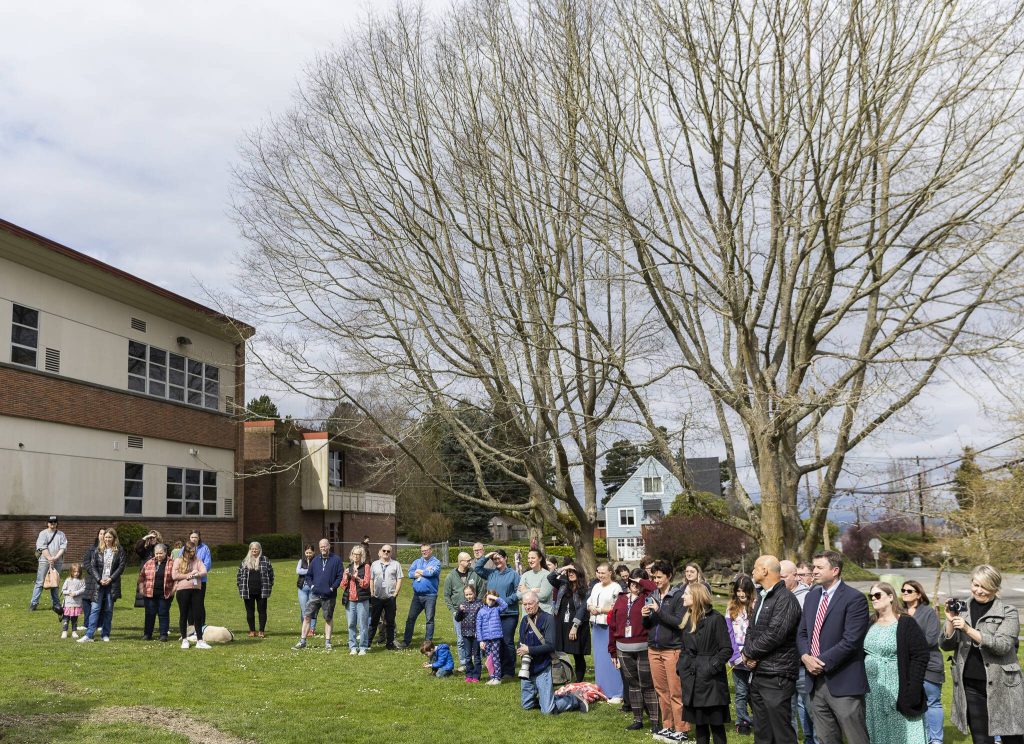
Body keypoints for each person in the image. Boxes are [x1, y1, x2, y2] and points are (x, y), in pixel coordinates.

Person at [940, 564, 1024, 744]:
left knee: (1012, 738)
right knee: (981, 740)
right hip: (971, 685)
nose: (978, 591)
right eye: (975, 585)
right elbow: (946, 645)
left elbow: (1002, 646)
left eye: (984, 586)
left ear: (995, 587)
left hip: (1004, 685)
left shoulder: (1008, 612)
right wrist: (949, 621)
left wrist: (967, 629)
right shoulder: (962, 608)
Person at [797, 550, 870, 744]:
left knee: (856, 738)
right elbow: (802, 633)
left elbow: (851, 640)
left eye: (820, 567)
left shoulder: (854, 599)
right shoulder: (812, 597)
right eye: (813, 567)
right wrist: (805, 657)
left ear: (835, 570)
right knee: (825, 738)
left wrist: (819, 662)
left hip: (843, 682)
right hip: (814, 682)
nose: (814, 571)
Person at [742, 555, 801, 744]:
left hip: (777, 674)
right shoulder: (762, 596)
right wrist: (747, 653)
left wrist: (750, 653)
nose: (752, 571)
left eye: (755, 567)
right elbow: (752, 629)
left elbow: (775, 634)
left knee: (781, 731)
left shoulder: (786, 599)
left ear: (765, 570)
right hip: (760, 673)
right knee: (763, 731)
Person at [863, 582, 928, 743]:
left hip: (898, 688)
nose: (874, 599)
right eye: (871, 596)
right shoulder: (870, 622)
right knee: (878, 733)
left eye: (878, 595)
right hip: (872, 690)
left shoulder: (905, 623)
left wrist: (913, 690)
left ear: (891, 597)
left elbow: (920, 656)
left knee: (902, 733)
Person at [517, 591, 590, 715]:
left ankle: (574, 699)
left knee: (548, 711)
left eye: (530, 604)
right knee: (526, 705)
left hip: (543, 667)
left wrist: (529, 650)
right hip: (528, 667)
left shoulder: (548, 619)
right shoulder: (524, 620)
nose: (527, 607)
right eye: (525, 604)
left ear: (537, 603)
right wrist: (520, 648)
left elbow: (551, 646)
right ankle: (546, 700)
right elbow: (521, 641)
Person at [678, 583, 733, 744]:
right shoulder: (687, 618)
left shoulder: (716, 619)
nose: (683, 596)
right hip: (693, 681)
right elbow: (684, 648)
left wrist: (710, 667)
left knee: (716, 727)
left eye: (686, 594)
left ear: (696, 597)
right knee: (700, 727)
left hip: (711, 683)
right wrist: (681, 668)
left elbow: (726, 649)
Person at [608, 568, 660, 733]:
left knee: (647, 684)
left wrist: (640, 581)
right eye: (632, 582)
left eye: (638, 583)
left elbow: (654, 587)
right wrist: (612, 651)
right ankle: (638, 719)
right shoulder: (621, 599)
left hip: (643, 647)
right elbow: (613, 625)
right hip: (623, 648)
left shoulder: (648, 597)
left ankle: (655, 721)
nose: (635, 585)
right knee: (633, 685)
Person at [642, 559, 688, 742]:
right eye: (654, 577)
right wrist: (645, 617)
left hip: (672, 649)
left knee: (676, 691)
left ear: (669, 576)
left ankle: (682, 729)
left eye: (659, 577)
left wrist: (659, 610)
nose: (656, 580)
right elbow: (648, 625)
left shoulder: (678, 596)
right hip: (653, 648)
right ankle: (667, 726)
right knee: (661, 690)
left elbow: (679, 622)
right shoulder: (653, 594)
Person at [903, 579, 945, 744]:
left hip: (929, 664)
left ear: (919, 594)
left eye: (909, 591)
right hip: (907, 666)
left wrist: (905, 645)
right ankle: (921, 737)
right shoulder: (899, 612)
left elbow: (931, 639)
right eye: (903, 590)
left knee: (932, 701)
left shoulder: (928, 613)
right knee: (913, 702)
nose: (905, 593)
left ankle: (936, 740)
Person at [475, 548, 521, 678]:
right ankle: (496, 670)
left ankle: (509, 671)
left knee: (507, 641)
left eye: (499, 557)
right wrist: (487, 556)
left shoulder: (513, 574)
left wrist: (503, 601)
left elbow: (518, 593)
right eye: (495, 559)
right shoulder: (491, 574)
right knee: (495, 642)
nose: (497, 561)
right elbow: (477, 568)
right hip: (493, 615)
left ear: (506, 558)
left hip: (509, 613)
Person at [78, 527, 126, 643]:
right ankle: (89, 635)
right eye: (106, 537)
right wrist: (99, 579)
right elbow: (92, 566)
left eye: (110, 537)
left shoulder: (119, 550)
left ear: (114, 538)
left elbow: (121, 567)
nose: (107, 539)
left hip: (111, 584)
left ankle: (105, 634)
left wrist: (110, 578)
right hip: (98, 584)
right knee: (95, 609)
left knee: (108, 610)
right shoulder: (98, 550)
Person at [293, 539, 343, 650]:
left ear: (329, 546)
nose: (323, 548)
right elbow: (309, 576)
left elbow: (340, 576)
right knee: (307, 616)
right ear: (319, 548)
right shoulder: (315, 560)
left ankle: (328, 642)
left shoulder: (336, 560)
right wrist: (312, 586)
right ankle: (302, 641)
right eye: (321, 547)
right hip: (315, 595)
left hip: (329, 596)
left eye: (325, 546)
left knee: (328, 618)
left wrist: (332, 587)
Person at [547, 563, 591, 683]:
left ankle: (579, 682)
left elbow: (583, 610)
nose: (570, 574)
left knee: (578, 654)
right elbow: (550, 577)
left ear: (579, 573)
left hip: (577, 624)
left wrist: (575, 627)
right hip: (561, 622)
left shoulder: (586, 589)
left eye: (573, 571)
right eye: (569, 572)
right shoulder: (563, 584)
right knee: (560, 651)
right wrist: (563, 568)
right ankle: (563, 677)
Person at [443, 551, 487, 670]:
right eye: (467, 560)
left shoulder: (474, 574)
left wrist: (476, 605)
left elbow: (482, 589)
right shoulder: (451, 576)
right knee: (461, 639)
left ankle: (477, 660)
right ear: (460, 562)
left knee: (476, 636)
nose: (470, 562)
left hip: (474, 613)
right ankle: (464, 663)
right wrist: (453, 610)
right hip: (460, 613)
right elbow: (446, 595)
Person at [588, 561, 624, 703]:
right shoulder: (596, 586)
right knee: (599, 659)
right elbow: (589, 601)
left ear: (610, 573)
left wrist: (601, 610)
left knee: (611, 658)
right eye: (598, 572)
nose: (600, 575)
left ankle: (616, 692)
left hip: (609, 626)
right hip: (596, 626)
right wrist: (591, 607)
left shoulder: (616, 587)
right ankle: (602, 689)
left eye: (603, 573)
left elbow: (618, 607)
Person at [791, 560, 818, 744]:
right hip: (790, 662)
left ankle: (814, 738)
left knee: (810, 706)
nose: (800, 577)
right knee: (797, 706)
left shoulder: (811, 596)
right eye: (797, 574)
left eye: (803, 574)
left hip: (807, 661)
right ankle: (807, 737)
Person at [727, 574, 756, 735]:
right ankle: (742, 720)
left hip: (753, 656)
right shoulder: (731, 607)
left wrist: (752, 654)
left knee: (755, 691)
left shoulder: (757, 606)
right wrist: (734, 656)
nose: (741, 594)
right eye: (738, 590)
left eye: (744, 590)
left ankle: (758, 718)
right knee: (741, 691)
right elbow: (729, 632)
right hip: (737, 657)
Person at [400, 543, 441, 648]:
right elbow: (409, 573)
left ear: (430, 550)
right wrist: (416, 573)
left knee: (429, 620)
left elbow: (432, 573)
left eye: (426, 550)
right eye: (422, 550)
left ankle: (428, 644)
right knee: (410, 618)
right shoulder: (417, 562)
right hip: (417, 596)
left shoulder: (436, 562)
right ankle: (406, 641)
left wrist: (420, 571)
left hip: (430, 596)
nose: (424, 552)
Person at [171, 542, 210, 649]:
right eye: (191, 551)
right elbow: (174, 575)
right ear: (186, 551)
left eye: (194, 551)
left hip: (196, 590)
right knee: (184, 614)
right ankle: (184, 639)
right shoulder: (178, 560)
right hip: (182, 590)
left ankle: (200, 640)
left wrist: (197, 573)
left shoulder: (198, 560)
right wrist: (188, 575)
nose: (193, 553)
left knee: (198, 614)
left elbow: (204, 571)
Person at [236, 541, 274, 638]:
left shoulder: (265, 560)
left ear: (259, 550)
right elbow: (239, 576)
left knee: (262, 611)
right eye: (252, 549)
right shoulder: (245, 561)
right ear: (250, 550)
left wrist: (269, 585)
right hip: (248, 591)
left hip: (262, 591)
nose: (254, 550)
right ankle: (252, 630)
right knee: (249, 611)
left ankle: (261, 631)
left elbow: (271, 574)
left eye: (256, 549)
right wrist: (240, 586)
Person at [137, 544, 173, 641]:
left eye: (161, 553)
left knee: (163, 613)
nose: (158, 555)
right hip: (149, 593)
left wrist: (173, 590)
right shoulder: (149, 563)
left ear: (165, 553)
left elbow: (176, 579)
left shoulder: (172, 563)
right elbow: (141, 577)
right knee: (149, 614)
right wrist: (141, 588)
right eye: (156, 553)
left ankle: (163, 635)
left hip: (165, 593)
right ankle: (147, 634)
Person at [369, 544, 402, 649]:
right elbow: (371, 579)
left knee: (390, 622)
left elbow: (399, 579)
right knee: (374, 621)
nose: (386, 553)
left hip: (390, 598)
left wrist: (395, 593)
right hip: (377, 597)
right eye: (384, 551)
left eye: (388, 551)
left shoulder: (396, 564)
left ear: (391, 553)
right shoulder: (374, 564)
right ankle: (368, 643)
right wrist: (372, 593)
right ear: (381, 551)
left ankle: (390, 644)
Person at [31, 516, 67, 611]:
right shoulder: (43, 534)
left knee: (55, 582)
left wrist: (55, 558)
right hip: (44, 561)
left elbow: (63, 547)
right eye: (51, 522)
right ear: (47, 523)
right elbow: (42, 547)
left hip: (57, 561)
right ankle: (33, 604)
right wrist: (50, 558)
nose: (53, 524)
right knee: (40, 582)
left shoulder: (61, 534)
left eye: (55, 522)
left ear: (57, 523)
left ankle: (56, 604)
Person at [341, 545, 371, 655]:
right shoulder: (348, 567)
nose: (356, 556)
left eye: (358, 554)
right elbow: (342, 585)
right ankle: (353, 647)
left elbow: (366, 584)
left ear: (362, 555)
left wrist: (357, 578)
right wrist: (346, 576)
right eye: (354, 554)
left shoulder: (366, 567)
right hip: (350, 600)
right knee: (351, 624)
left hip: (362, 600)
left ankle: (363, 647)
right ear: (351, 555)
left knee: (363, 625)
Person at [477, 589, 508, 684]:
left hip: (495, 638)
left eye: (492, 600)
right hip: (486, 639)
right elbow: (478, 626)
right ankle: (492, 676)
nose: (491, 601)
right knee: (489, 658)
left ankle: (497, 677)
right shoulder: (481, 611)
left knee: (495, 657)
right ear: (485, 599)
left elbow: (505, 605)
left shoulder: (497, 609)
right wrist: (481, 640)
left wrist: (495, 598)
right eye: (489, 599)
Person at [455, 584, 484, 682]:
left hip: (476, 634)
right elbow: (457, 619)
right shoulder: (463, 605)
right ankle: (469, 674)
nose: (468, 597)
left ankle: (476, 675)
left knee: (476, 656)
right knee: (467, 656)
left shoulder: (479, 604)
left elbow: (482, 619)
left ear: (474, 593)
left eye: (470, 594)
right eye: (466, 595)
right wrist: (459, 611)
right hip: (465, 634)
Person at [79, 527, 106, 623]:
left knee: (101, 601)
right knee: (86, 599)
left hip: (103, 578)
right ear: (98, 535)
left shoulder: (108, 549)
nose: (102, 536)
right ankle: (87, 623)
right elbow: (86, 562)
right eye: (101, 534)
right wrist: (92, 571)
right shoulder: (91, 549)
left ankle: (99, 623)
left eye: (104, 534)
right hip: (91, 578)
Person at [186, 530, 212, 626]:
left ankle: (201, 625)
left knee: (199, 603)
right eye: (192, 537)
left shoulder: (205, 548)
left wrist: (198, 572)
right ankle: (191, 625)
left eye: (196, 537)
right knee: (189, 603)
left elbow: (207, 564)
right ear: (189, 538)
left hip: (200, 580)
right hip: (187, 580)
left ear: (199, 538)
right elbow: (180, 562)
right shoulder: (185, 548)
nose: (194, 539)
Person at [518, 549, 553, 614]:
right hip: (527, 616)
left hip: (544, 615)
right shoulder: (525, 575)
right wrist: (533, 590)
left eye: (533, 558)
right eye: (529, 558)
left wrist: (526, 591)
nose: (530, 560)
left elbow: (543, 596)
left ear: (540, 559)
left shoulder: (547, 575)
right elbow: (519, 595)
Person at [296, 545, 319, 638]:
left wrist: (306, 571)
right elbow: (298, 571)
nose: (308, 554)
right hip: (302, 588)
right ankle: (305, 628)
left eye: (310, 552)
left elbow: (317, 572)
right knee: (304, 609)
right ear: (305, 553)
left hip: (313, 588)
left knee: (312, 608)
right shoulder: (301, 561)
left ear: (313, 552)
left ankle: (312, 629)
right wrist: (308, 570)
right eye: (307, 552)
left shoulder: (317, 561)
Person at [60, 563, 86, 639]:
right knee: (66, 618)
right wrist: (69, 592)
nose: (76, 573)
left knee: (74, 619)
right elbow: (63, 590)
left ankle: (74, 631)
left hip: (76, 604)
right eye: (74, 571)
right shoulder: (68, 580)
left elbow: (83, 589)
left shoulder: (82, 580)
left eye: (77, 572)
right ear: (71, 571)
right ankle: (64, 631)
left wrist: (76, 593)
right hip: (68, 604)